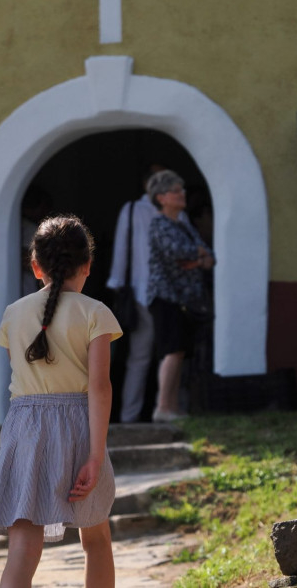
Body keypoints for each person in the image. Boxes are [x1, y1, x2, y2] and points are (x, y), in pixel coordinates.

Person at [0, 215, 121, 588]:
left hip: (25, 430)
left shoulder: (14, 314)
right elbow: (100, 387)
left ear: (36, 266)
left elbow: (20, 374)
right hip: (79, 429)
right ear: (87, 265)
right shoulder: (95, 313)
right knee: (96, 537)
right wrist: (95, 456)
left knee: (22, 546)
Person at [107, 166, 186, 423]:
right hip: (148, 294)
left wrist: (118, 284)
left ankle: (156, 411)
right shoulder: (135, 210)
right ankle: (141, 414)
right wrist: (119, 287)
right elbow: (122, 250)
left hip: (159, 294)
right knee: (156, 355)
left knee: (159, 355)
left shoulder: (172, 212)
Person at [145, 170, 215, 423]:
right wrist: (197, 256)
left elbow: (209, 255)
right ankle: (163, 406)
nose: (182, 194)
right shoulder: (159, 224)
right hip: (166, 297)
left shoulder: (183, 224)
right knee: (172, 350)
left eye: (182, 189)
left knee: (180, 351)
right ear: (161, 197)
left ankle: (172, 408)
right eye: (176, 191)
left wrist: (197, 257)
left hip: (184, 299)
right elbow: (177, 252)